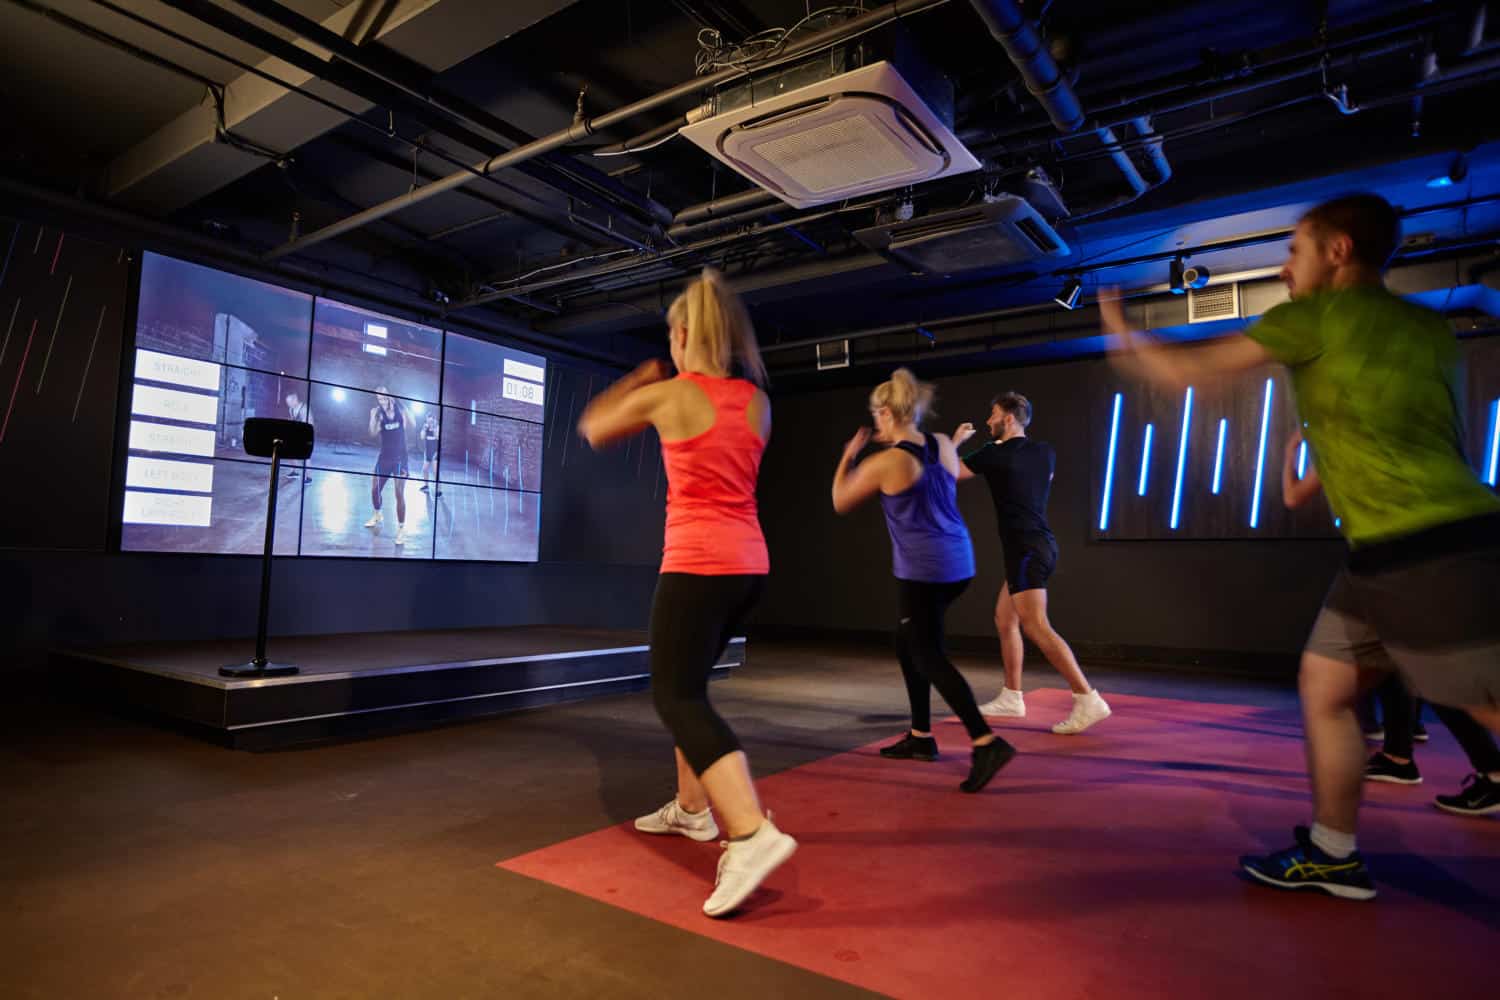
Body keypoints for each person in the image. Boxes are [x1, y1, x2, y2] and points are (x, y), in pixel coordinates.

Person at [1103, 192, 1500, 900]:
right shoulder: (1429, 328)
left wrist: (1116, 324)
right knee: (1324, 684)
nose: (1286, 267)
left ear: (1337, 251)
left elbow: (1180, 374)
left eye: (1295, 250)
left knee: (1489, 705)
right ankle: (1333, 852)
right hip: (1395, 550)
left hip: (1421, 548)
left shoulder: (1315, 316)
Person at [576, 267, 796, 919]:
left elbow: (594, 427)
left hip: (697, 565)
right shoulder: (757, 404)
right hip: (749, 566)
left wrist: (636, 380)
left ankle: (750, 833)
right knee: (692, 687)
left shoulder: (671, 395)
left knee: (676, 697)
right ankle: (693, 809)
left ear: (680, 335)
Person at [1282, 430, 1500, 816]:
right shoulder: (1396, 435)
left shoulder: (1340, 439)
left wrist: (1291, 450)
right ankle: (1400, 757)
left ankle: (1483, 770)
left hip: (1399, 559)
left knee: (1430, 674)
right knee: (1400, 666)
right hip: (1409, 555)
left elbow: (1293, 496)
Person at [831, 368, 1016, 793]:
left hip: (924, 571)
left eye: (876, 415)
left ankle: (985, 742)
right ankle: (920, 736)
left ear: (886, 413)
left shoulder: (888, 461)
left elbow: (840, 499)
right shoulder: (943, 444)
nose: (875, 422)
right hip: (958, 562)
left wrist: (848, 456)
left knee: (927, 653)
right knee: (908, 640)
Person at [952, 393, 1111, 733]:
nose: (988, 421)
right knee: (1005, 618)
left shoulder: (993, 453)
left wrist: (955, 442)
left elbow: (948, 473)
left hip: (1025, 549)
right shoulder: (1044, 452)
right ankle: (1012, 697)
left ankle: (1087, 698)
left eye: (993, 415)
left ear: (1008, 418)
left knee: (1036, 625)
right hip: (1041, 545)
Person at [365, 386, 410, 545]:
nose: (382, 400)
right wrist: (372, 417)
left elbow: (409, 424)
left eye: (383, 396)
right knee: (375, 490)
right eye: (379, 398)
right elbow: (372, 433)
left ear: (388, 395)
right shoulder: (378, 414)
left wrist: (406, 410)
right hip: (384, 458)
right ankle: (378, 514)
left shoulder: (399, 409)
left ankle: (401, 529)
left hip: (400, 459)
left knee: (399, 493)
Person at [284, 390, 312, 485]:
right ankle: (295, 472)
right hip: (297, 434)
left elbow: (308, 424)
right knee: (290, 452)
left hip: (307, 434)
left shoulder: (304, 409)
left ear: (295, 399)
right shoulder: (291, 409)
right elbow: (294, 421)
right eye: (287, 402)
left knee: (306, 456)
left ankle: (309, 477)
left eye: (290, 402)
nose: (288, 404)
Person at [418, 413, 442, 497]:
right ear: (427, 420)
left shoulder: (437, 427)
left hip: (435, 452)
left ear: (434, 420)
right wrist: (424, 429)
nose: (430, 422)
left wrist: (434, 428)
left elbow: (437, 437)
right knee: (424, 469)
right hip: (428, 451)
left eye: (431, 420)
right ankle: (426, 486)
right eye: (428, 420)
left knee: (435, 472)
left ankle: (439, 490)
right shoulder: (425, 427)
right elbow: (422, 437)